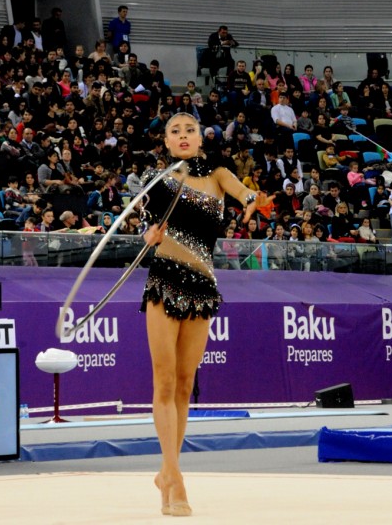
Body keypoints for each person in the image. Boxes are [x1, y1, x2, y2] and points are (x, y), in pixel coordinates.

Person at [139, 112, 269, 516]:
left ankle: (167, 471)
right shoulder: (159, 183)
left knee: (183, 385)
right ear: (165, 141)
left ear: (200, 137)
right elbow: (144, 232)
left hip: (201, 289)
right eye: (174, 131)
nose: (182, 135)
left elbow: (242, 192)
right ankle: (175, 480)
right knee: (163, 382)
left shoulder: (217, 173)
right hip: (164, 283)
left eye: (189, 129)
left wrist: (253, 201)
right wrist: (151, 235)